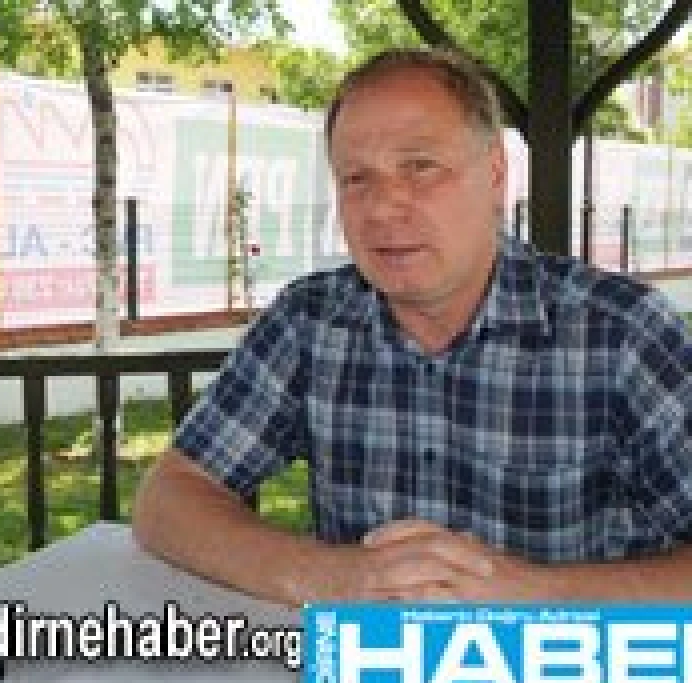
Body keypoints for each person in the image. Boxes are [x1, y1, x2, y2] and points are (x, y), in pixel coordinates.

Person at [133, 47, 692, 606]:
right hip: (363, 659)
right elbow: (169, 499)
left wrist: (534, 593)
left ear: (496, 174)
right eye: (356, 178)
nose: (383, 208)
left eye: (420, 167)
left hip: (569, 661)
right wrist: (324, 574)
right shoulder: (310, 323)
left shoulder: (623, 334)